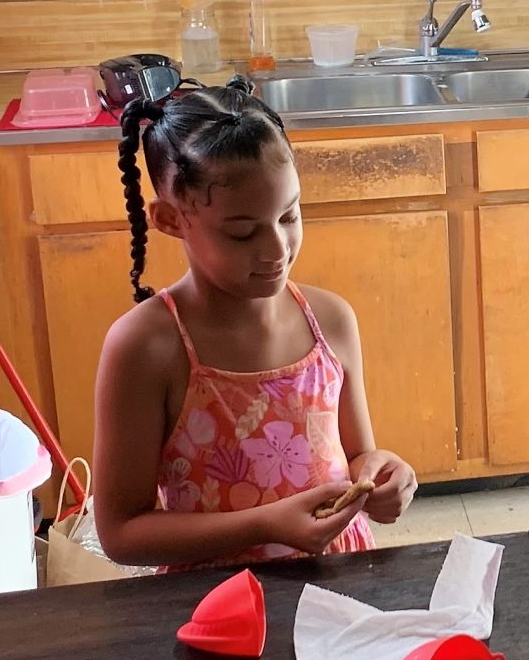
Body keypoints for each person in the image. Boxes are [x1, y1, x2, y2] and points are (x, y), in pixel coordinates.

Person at [92, 85, 416, 568]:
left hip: (336, 582)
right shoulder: (146, 347)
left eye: (289, 215)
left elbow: (356, 462)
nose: (277, 250)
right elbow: (121, 532)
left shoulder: (330, 321)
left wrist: (382, 477)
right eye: (241, 232)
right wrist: (264, 524)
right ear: (170, 220)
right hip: (214, 604)